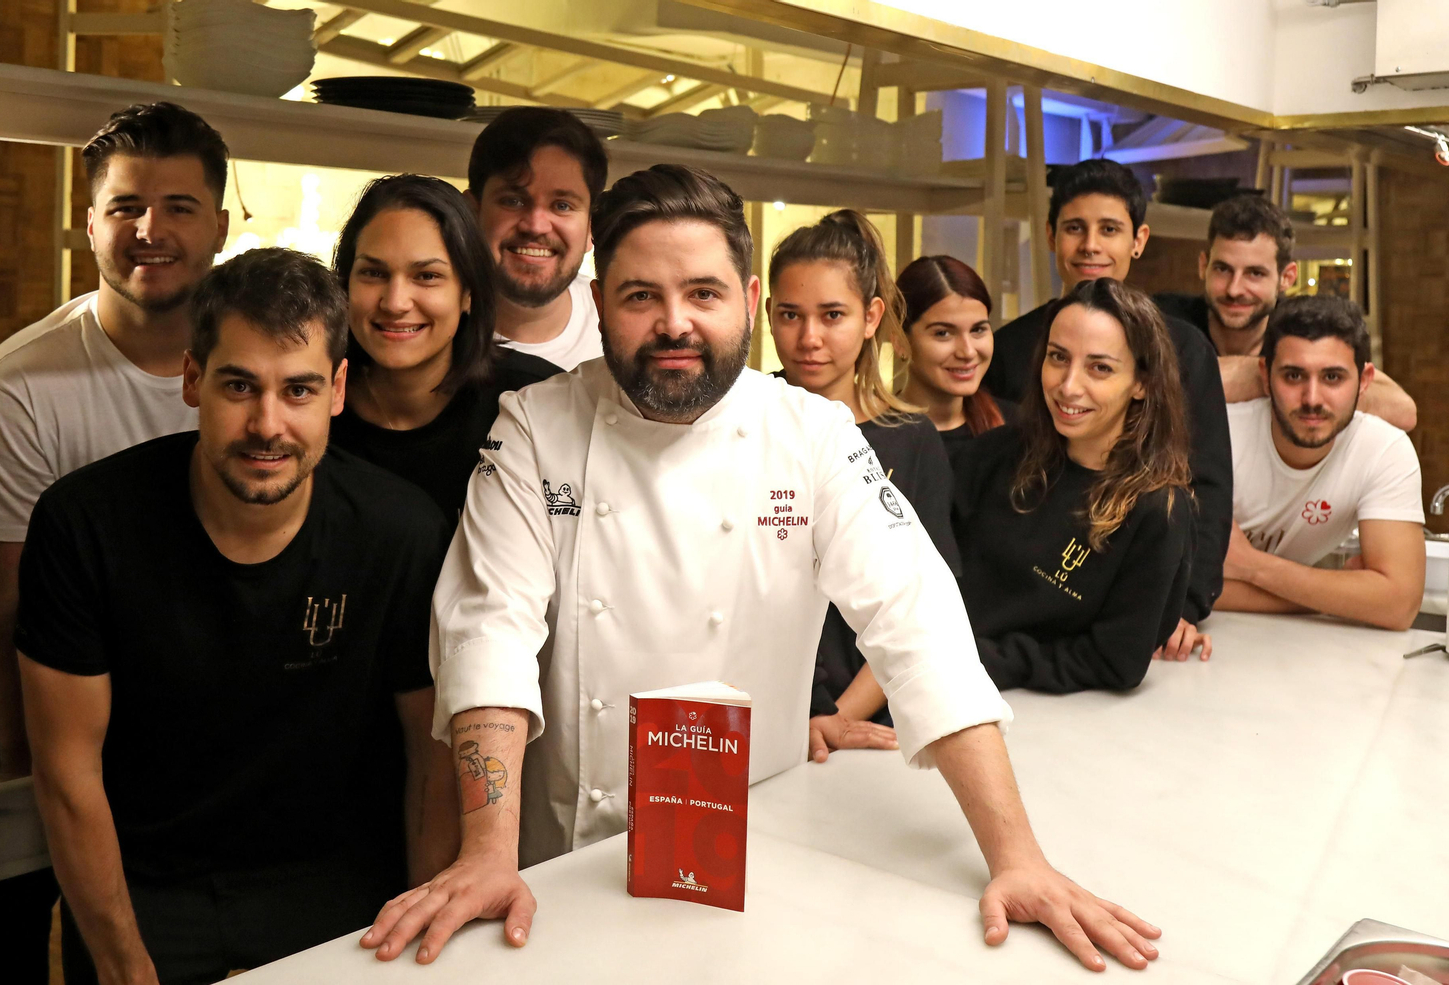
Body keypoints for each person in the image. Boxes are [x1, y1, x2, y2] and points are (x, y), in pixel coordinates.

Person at [365, 165, 1164, 974]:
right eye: (641, 296)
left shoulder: (811, 434)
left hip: (762, 844)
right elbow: (488, 629)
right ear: (602, 300)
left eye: (704, 294)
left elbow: (917, 621)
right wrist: (486, 851)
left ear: (747, 301)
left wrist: (1016, 855)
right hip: (565, 866)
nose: (675, 323)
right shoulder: (537, 425)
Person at [16, 248, 453, 985]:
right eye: (239, 385)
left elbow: (431, 753)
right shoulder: (85, 525)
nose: (267, 424)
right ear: (192, 379)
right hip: (147, 881)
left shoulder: (398, 531)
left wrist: (427, 940)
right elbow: (67, 773)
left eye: (300, 389)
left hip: (335, 881)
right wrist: (125, 967)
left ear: (338, 390)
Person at [0, 101, 230, 983]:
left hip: (193, 682)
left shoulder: (249, 358)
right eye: (126, 206)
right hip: (51, 693)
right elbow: (9, 609)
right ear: (90, 220)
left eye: (180, 206)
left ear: (220, 223)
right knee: (39, 927)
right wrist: (26, 792)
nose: (151, 230)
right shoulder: (20, 385)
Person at [984, 159, 1227, 663]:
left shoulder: (1184, 349)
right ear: (1051, 236)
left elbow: (1207, 483)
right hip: (1039, 612)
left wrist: (1183, 604)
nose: (1090, 245)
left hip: (1131, 615)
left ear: (1138, 241)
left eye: (1109, 229)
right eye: (1075, 228)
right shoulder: (1008, 349)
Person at [766, 210, 956, 750]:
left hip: (864, 723)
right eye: (790, 315)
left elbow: (922, 605)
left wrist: (836, 718)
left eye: (832, 315)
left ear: (872, 316)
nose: (809, 338)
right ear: (766, 312)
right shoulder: (744, 421)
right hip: (763, 710)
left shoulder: (912, 438)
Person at [953, 278, 1194, 693]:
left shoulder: (1157, 511)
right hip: (921, 682)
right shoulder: (992, 455)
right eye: (1058, 358)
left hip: (1032, 716)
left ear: (1143, 382)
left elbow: (1115, 662)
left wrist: (980, 661)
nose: (1068, 385)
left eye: (1100, 367)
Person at [328, 174, 560, 520]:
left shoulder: (535, 399)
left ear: (468, 292)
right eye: (373, 273)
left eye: (426, 276)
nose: (394, 303)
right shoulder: (308, 404)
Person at [1218, 295, 1425, 630]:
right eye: (1293, 376)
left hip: (1303, 652)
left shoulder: (1384, 449)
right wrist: (1338, 593)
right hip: (1200, 640)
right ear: (1265, 374)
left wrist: (1250, 565)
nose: (1312, 399)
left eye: (1332, 378)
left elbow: (1399, 604)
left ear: (1365, 381)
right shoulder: (1218, 434)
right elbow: (1178, 585)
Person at [1153, 194, 1417, 432]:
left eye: (1255, 273)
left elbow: (1404, 412)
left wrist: (1276, 381)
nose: (1235, 289)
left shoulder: (1301, 326)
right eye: (1223, 269)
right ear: (1203, 266)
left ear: (1287, 277)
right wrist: (1278, 377)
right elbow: (1150, 383)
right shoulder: (1163, 318)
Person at [465, 107, 608, 370]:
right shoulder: (427, 329)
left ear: (592, 227)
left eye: (562, 205)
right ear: (472, 213)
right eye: (513, 200)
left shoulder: (622, 331)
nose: (536, 226)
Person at [895, 254, 1014, 458]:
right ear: (899, 341)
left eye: (978, 330)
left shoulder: (1019, 430)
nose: (967, 352)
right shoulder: (866, 440)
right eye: (943, 333)